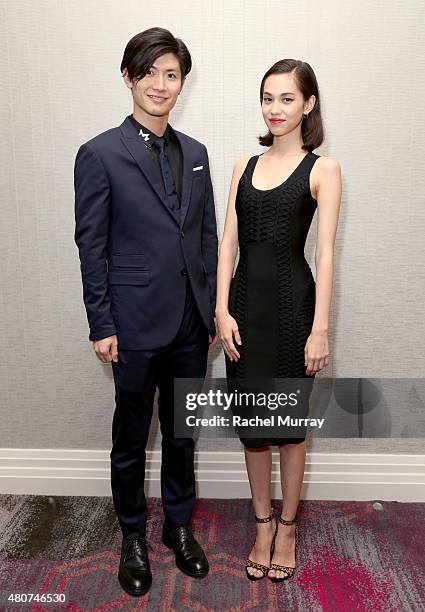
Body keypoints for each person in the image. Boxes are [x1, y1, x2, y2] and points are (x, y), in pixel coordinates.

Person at [74, 27, 218, 597]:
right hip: (132, 323)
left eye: (172, 74)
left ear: (182, 83)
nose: (161, 84)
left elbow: (204, 237)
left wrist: (208, 313)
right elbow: (92, 246)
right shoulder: (100, 153)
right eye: (150, 72)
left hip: (190, 324)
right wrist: (101, 322)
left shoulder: (198, 154)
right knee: (132, 435)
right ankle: (132, 534)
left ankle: (177, 527)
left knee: (183, 434)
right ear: (129, 78)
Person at [215, 59, 341, 582]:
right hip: (244, 310)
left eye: (287, 99)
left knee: (288, 431)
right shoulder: (243, 165)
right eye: (268, 98)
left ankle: (288, 526)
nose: (275, 108)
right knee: (253, 431)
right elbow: (227, 244)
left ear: (308, 105)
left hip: (294, 313)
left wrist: (320, 328)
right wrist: (221, 310)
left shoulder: (323, 168)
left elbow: (327, 253)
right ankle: (261, 524)